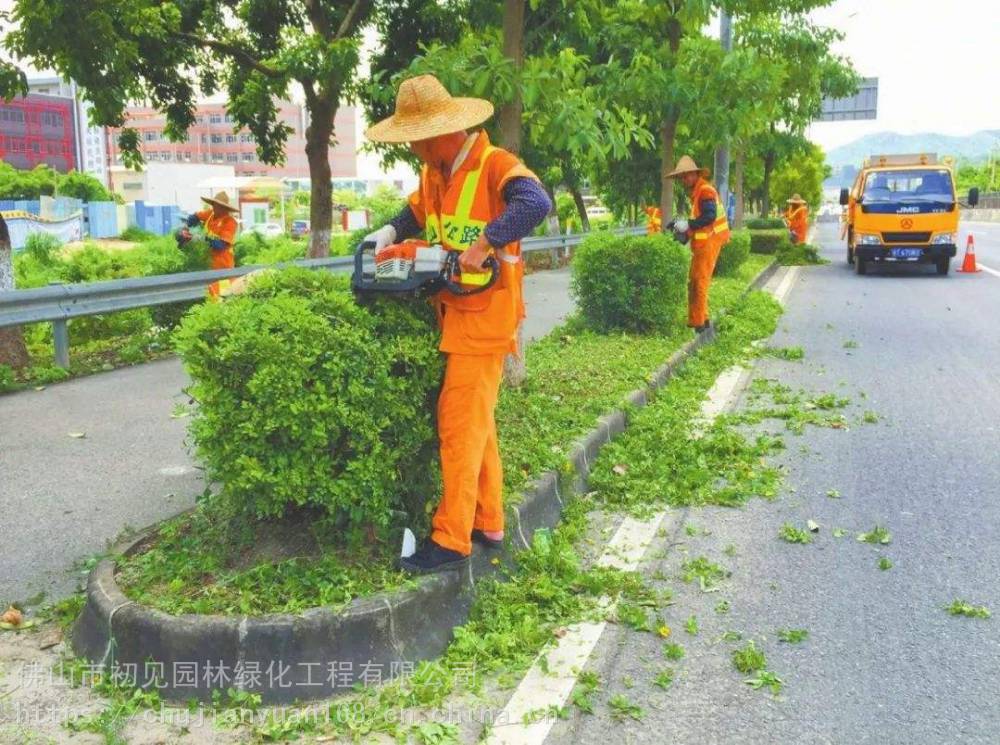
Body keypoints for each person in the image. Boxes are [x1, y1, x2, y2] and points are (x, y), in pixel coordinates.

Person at [364, 74, 551, 574]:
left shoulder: (494, 165)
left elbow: (536, 203)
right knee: (478, 426)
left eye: (419, 139)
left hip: (485, 319)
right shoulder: (437, 172)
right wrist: (389, 231)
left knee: (459, 427)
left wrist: (487, 241)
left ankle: (451, 539)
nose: (415, 149)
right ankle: (487, 519)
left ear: (445, 131)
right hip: (454, 312)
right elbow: (416, 212)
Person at [665, 156, 730, 334]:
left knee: (699, 282)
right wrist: (683, 229)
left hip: (709, 242)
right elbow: (700, 221)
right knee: (696, 281)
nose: (684, 180)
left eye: (686, 176)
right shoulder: (699, 192)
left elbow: (709, 217)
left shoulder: (705, 191)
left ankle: (699, 323)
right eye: (682, 177)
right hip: (704, 243)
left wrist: (688, 225)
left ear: (695, 174)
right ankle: (703, 319)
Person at [183, 191, 240, 298]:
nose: (216, 208)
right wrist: (186, 227)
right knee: (210, 298)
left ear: (225, 208)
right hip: (209, 267)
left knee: (222, 298)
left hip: (224, 269)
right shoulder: (210, 214)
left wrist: (201, 238)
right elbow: (194, 217)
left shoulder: (230, 222)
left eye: (220, 206)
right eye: (215, 205)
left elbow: (220, 245)